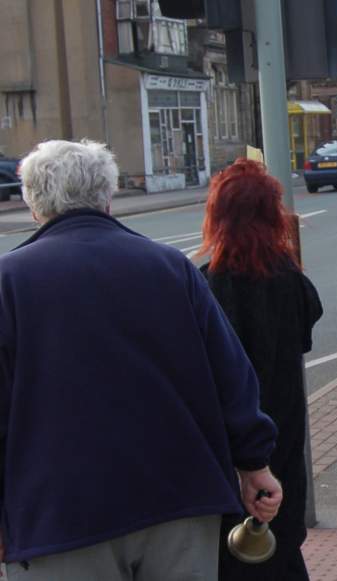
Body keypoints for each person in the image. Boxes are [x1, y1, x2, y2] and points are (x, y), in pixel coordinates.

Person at [0, 140, 282, 579]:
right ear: (108, 198)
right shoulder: (171, 267)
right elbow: (231, 376)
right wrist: (254, 464)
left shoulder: (9, 281)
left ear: (34, 205)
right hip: (180, 499)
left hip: (61, 515)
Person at [199, 159, 323, 581]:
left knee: (236, 555)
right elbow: (306, 332)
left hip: (229, 446)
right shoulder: (291, 280)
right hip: (282, 429)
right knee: (281, 546)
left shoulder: (206, 284)